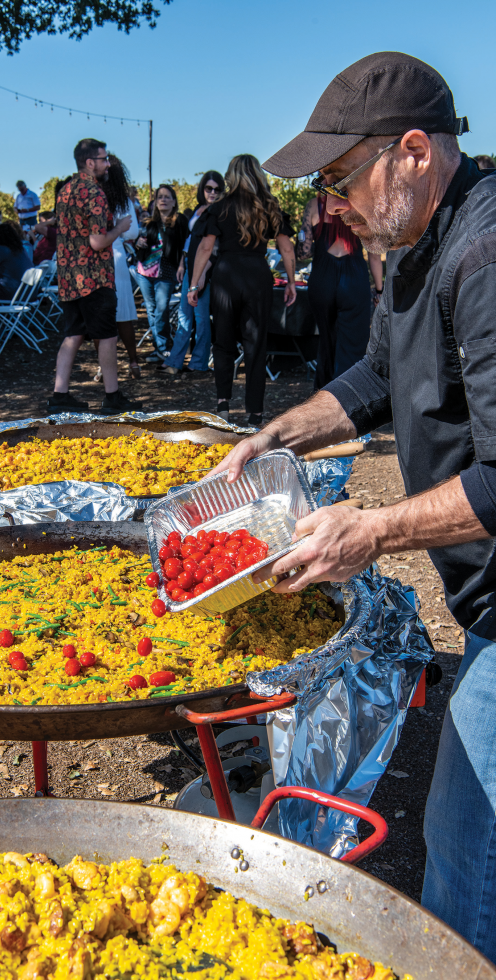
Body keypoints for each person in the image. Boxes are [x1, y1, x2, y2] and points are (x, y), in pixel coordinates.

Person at [213, 52, 496, 962]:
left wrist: (371, 530)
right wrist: (277, 438)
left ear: (413, 151)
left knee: (464, 852)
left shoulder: (485, 254)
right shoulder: (410, 242)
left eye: (340, 175)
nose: (330, 200)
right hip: (483, 600)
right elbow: (377, 377)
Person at [189, 154, 297, 427]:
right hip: (257, 276)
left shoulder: (221, 207)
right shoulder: (269, 207)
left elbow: (204, 247)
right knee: (256, 345)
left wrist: (194, 282)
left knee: (223, 343)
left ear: (231, 176)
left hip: (226, 275)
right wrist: (292, 281)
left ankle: (223, 404)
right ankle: (254, 413)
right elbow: (286, 248)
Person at [49, 138, 143, 415]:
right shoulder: (95, 193)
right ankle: (112, 396)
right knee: (107, 337)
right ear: (90, 162)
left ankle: (60, 394)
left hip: (68, 278)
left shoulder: (65, 191)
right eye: (103, 159)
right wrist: (120, 228)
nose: (108, 163)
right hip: (94, 277)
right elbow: (98, 242)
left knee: (73, 334)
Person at [298, 192, 383, 388]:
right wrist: (379, 290)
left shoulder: (314, 205)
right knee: (353, 342)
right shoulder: (360, 204)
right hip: (353, 278)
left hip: (322, 279)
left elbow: (304, 252)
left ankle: (325, 392)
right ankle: (348, 393)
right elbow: (375, 256)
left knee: (326, 341)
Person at [160, 171, 226, 378]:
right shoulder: (199, 209)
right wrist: (182, 263)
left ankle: (198, 363)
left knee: (201, 316)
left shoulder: (220, 212)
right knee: (184, 315)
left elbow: (215, 247)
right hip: (191, 266)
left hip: (205, 269)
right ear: (202, 189)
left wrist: (204, 272)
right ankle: (175, 361)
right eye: (209, 188)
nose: (212, 192)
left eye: (217, 189)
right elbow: (191, 240)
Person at [134, 184, 189, 365]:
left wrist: (181, 265)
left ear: (174, 201)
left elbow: (184, 246)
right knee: (151, 309)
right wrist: (139, 242)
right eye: (160, 197)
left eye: (167, 197)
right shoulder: (149, 223)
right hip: (145, 271)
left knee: (162, 308)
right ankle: (160, 347)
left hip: (166, 271)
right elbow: (140, 242)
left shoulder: (179, 221)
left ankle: (164, 347)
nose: (163, 200)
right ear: (155, 203)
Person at [99, 154, 141, 379]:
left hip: (97, 261)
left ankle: (104, 367)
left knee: (101, 317)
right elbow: (133, 232)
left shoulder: (94, 196)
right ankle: (133, 361)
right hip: (117, 258)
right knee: (124, 315)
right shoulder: (122, 199)